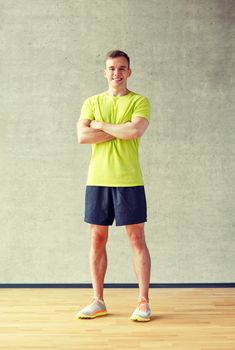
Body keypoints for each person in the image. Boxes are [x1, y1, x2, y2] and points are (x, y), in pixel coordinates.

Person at [76, 50, 151, 322]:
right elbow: (82, 137)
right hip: (97, 180)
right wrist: (119, 129)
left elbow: (135, 131)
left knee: (136, 238)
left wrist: (102, 125)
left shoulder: (140, 101)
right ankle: (98, 300)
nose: (116, 73)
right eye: (111, 68)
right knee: (97, 238)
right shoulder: (91, 101)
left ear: (129, 72)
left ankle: (143, 301)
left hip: (129, 180)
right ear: (104, 72)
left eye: (122, 68)